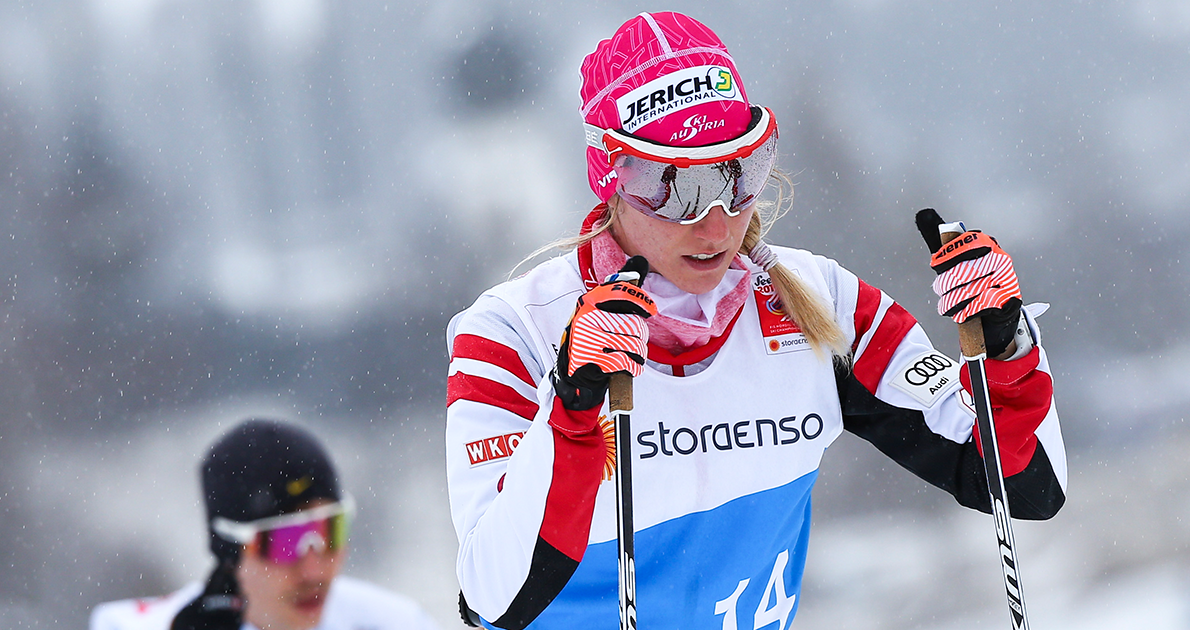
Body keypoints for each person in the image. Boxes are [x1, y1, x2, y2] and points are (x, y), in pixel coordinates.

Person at [445, 11, 1067, 630]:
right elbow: (492, 598)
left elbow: (1028, 488)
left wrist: (1006, 351)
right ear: (611, 176)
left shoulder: (818, 303)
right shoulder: (512, 334)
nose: (715, 224)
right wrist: (573, 415)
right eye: (675, 186)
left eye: (737, 176)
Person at [90, 419, 440, 630]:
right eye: (286, 541)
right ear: (230, 552)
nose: (314, 570)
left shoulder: (397, 622)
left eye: (330, 531)